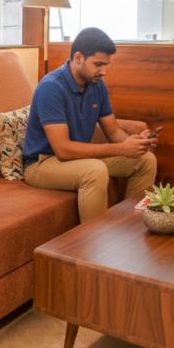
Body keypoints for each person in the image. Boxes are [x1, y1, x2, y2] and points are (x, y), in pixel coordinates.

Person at [23, 27, 158, 222]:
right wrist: (121, 149)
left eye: (107, 65)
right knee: (95, 171)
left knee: (145, 160)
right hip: (42, 163)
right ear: (78, 57)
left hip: (77, 159)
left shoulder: (97, 85)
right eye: (98, 64)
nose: (104, 71)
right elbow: (63, 150)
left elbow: (113, 131)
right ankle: (93, 240)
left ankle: (131, 227)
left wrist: (135, 143)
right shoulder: (51, 87)